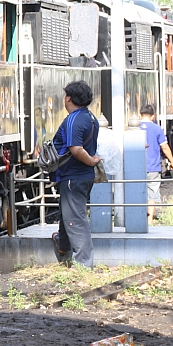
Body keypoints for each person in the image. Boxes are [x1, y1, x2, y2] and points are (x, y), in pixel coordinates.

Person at [50, 81, 102, 268]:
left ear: (69, 98)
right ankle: (63, 245)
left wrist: (91, 161)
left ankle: (84, 264)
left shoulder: (73, 119)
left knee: (76, 219)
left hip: (73, 176)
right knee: (69, 213)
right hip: (82, 176)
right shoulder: (91, 117)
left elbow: (76, 149)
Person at [137, 104, 173, 220]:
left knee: (137, 192)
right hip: (153, 166)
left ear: (140, 114)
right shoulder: (157, 129)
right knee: (152, 192)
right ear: (153, 116)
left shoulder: (134, 128)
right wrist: (172, 161)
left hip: (136, 167)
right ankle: (149, 220)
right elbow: (164, 147)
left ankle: (138, 217)